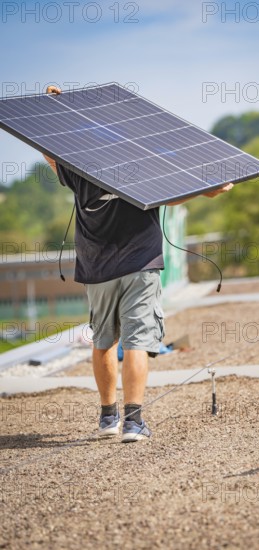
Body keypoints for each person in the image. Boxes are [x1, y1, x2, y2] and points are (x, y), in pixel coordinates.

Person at [44, 85, 233, 443]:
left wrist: (56, 112)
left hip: (96, 268)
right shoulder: (143, 162)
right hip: (140, 265)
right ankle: (133, 422)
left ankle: (107, 418)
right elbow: (174, 193)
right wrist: (208, 190)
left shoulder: (80, 165)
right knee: (136, 341)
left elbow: (52, 153)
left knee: (102, 341)